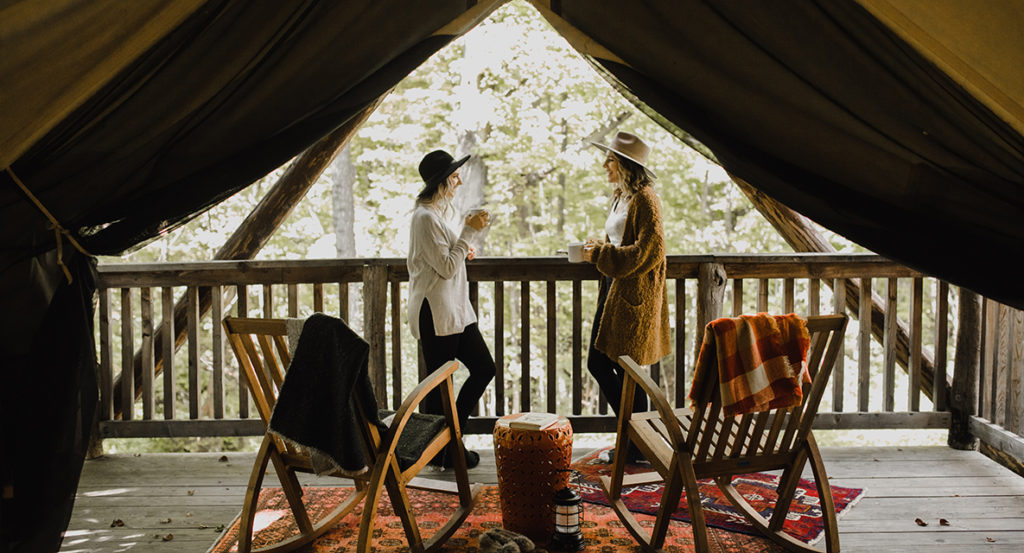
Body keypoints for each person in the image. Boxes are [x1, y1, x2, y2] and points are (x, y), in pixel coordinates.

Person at [581, 131, 672, 463]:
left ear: (625, 166)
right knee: (607, 365)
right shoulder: (620, 195)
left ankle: (635, 444)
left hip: (634, 293)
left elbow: (651, 250)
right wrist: (599, 250)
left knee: (621, 369)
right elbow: (618, 241)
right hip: (612, 287)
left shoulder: (646, 198)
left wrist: (602, 254)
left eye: (611, 159)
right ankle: (636, 443)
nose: (605, 164)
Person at [407, 149, 496, 469]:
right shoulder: (424, 218)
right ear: (441, 182)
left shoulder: (439, 214)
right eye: (454, 176)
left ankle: (448, 442)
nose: (458, 181)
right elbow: (444, 267)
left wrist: (463, 249)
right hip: (435, 311)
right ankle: (442, 450)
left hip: (456, 308)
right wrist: (469, 232)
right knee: (438, 386)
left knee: (485, 368)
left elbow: (447, 258)